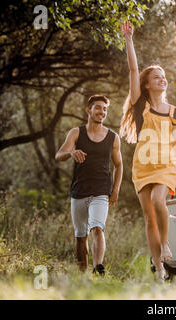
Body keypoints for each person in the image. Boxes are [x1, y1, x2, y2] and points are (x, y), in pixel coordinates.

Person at [120, 21, 176, 280]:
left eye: (163, 76)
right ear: (147, 85)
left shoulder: (174, 111)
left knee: (159, 202)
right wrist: (129, 40)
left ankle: (166, 244)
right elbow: (134, 70)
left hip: (166, 164)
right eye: (156, 77)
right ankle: (158, 269)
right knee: (148, 219)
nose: (162, 79)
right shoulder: (139, 106)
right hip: (143, 167)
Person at [55, 94, 123, 275]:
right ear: (89, 110)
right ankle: (82, 275)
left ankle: (97, 267)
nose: (102, 112)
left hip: (101, 190)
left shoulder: (113, 137)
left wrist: (115, 189)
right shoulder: (76, 133)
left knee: (97, 227)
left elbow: (119, 165)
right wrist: (71, 152)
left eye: (105, 109)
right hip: (79, 191)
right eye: (98, 108)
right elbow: (58, 155)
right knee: (80, 236)